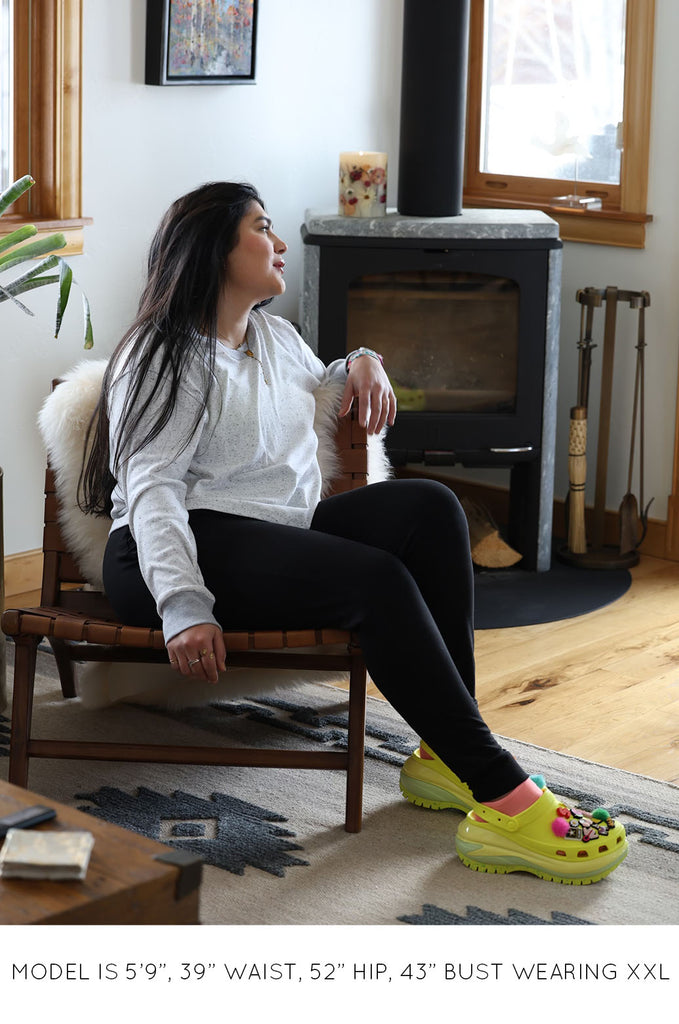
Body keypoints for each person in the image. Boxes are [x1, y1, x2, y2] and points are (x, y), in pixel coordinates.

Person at [81, 181, 627, 885]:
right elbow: (152, 489)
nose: (279, 243)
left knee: (433, 507)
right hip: (172, 550)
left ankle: (444, 753)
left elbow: (322, 378)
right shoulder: (163, 354)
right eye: (262, 229)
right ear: (215, 249)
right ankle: (502, 792)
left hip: (272, 529)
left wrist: (363, 358)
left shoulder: (272, 337)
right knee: (377, 581)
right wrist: (183, 607)